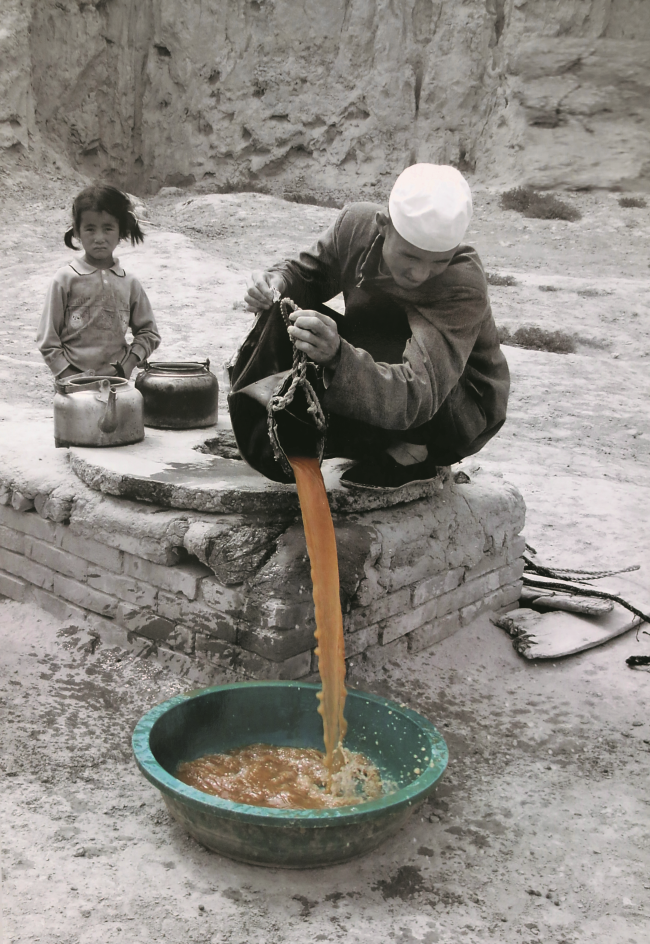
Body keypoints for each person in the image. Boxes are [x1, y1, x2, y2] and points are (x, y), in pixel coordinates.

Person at [243, 163, 510, 489]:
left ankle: (412, 453)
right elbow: (304, 278)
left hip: (453, 409)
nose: (421, 274)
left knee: (343, 354)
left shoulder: (461, 284)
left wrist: (339, 358)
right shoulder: (356, 227)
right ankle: (270, 428)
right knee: (291, 313)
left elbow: (419, 394)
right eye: (410, 256)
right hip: (382, 365)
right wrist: (274, 283)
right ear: (383, 225)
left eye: (439, 261)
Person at [37, 184, 161, 381]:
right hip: (73, 388)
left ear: (120, 230)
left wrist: (128, 365)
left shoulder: (129, 283)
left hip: (117, 384)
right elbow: (48, 340)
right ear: (77, 231)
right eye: (90, 229)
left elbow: (149, 332)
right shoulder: (65, 279)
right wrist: (68, 376)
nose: (99, 238)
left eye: (108, 228)